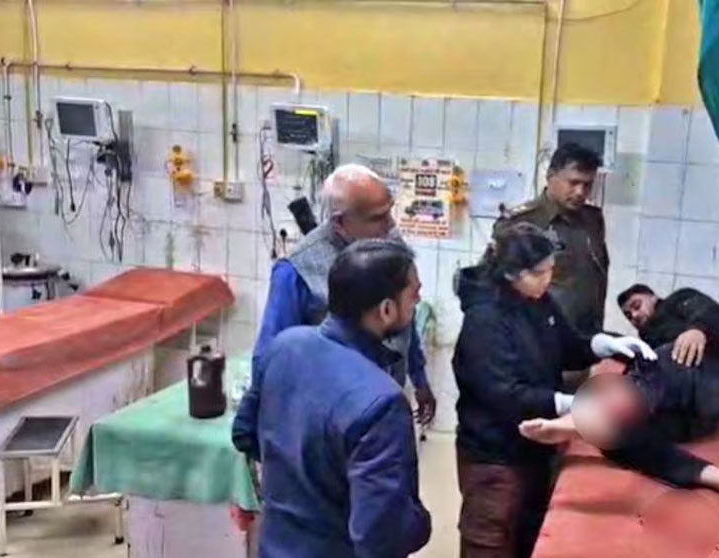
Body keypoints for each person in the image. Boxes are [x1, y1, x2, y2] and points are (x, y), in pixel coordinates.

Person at [453, 222, 652, 558]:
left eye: (550, 270)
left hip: (535, 447)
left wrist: (607, 344)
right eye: (539, 272)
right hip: (495, 455)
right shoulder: (484, 320)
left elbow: (567, 345)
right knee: (490, 540)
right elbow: (504, 395)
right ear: (511, 273)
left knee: (529, 535)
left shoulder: (537, 301)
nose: (548, 279)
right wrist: (569, 404)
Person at [233, 239, 431, 558]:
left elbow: (244, 433)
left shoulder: (284, 346)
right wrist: (420, 522)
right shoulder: (382, 403)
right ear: (386, 309)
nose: (418, 300)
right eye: (413, 293)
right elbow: (380, 537)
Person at [519, 284, 719, 531]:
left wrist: (697, 330)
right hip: (690, 419)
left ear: (652, 296)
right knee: (615, 440)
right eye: (629, 315)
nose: (634, 315)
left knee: (657, 363)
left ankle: (587, 417)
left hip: (706, 377)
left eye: (636, 305)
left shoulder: (677, 302)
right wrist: (611, 345)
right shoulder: (648, 343)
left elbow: (718, 314)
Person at [251, 164, 436, 430]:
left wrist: (419, 379)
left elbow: (404, 317)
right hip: (331, 417)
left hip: (386, 400)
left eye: (390, 211)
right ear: (340, 223)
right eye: (378, 217)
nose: (391, 225)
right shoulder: (297, 271)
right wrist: (264, 426)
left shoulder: (387, 243)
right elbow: (269, 356)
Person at [495, 144, 608, 336]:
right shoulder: (521, 222)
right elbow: (499, 286)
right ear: (550, 176)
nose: (580, 192)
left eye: (587, 185)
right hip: (539, 337)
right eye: (573, 183)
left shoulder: (592, 220)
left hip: (587, 335)